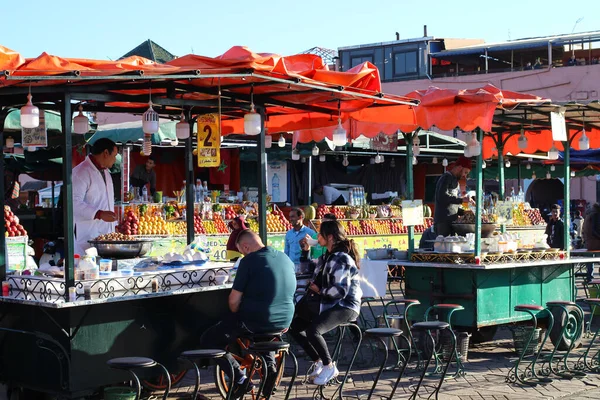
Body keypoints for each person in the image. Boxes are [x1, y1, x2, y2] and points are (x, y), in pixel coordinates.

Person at [200, 230, 296, 398]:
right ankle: (270, 368)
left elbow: (233, 301)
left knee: (209, 340)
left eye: (242, 251)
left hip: (256, 321)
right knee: (262, 331)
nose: (242, 254)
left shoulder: (249, 261)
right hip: (285, 322)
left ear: (245, 246)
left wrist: (235, 315)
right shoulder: (284, 258)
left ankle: (241, 379)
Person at [290, 220, 362, 385]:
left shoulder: (341, 258)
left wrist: (319, 290)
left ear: (329, 237)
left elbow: (340, 291)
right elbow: (306, 270)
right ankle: (319, 362)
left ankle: (329, 366)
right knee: (295, 326)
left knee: (313, 330)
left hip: (345, 305)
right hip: (328, 303)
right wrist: (305, 251)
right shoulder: (327, 256)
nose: (317, 236)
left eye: (320, 234)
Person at [72, 138, 118, 255]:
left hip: (106, 237)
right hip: (87, 235)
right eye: (115, 155)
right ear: (106, 153)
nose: (115, 159)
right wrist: (99, 214)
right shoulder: (81, 172)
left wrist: (114, 226)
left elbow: (106, 202)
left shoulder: (106, 173)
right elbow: (73, 203)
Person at [433, 156, 473, 236]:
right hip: (443, 222)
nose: (465, 176)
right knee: (443, 246)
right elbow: (442, 197)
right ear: (459, 167)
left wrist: (465, 212)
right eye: (465, 172)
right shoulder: (445, 178)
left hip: (452, 221)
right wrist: (461, 200)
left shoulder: (456, 182)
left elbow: (452, 205)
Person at [582, 203, 600, 281]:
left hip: (589, 243)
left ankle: (589, 278)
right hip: (596, 243)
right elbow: (594, 231)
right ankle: (590, 278)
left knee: (590, 261)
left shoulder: (588, 215)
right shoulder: (596, 215)